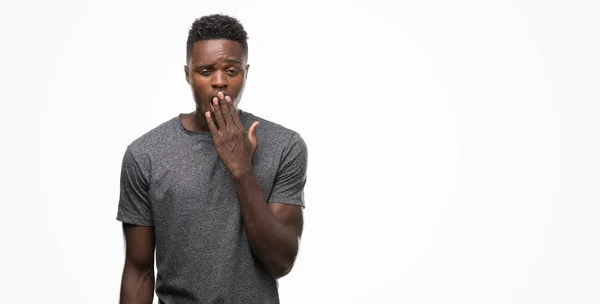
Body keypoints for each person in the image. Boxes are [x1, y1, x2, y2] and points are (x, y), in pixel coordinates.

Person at [116, 14, 308, 304]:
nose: (220, 82)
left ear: (246, 72)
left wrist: (242, 170)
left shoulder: (285, 146)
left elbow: (281, 262)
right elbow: (138, 270)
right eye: (205, 71)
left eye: (231, 71)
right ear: (187, 73)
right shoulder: (146, 154)